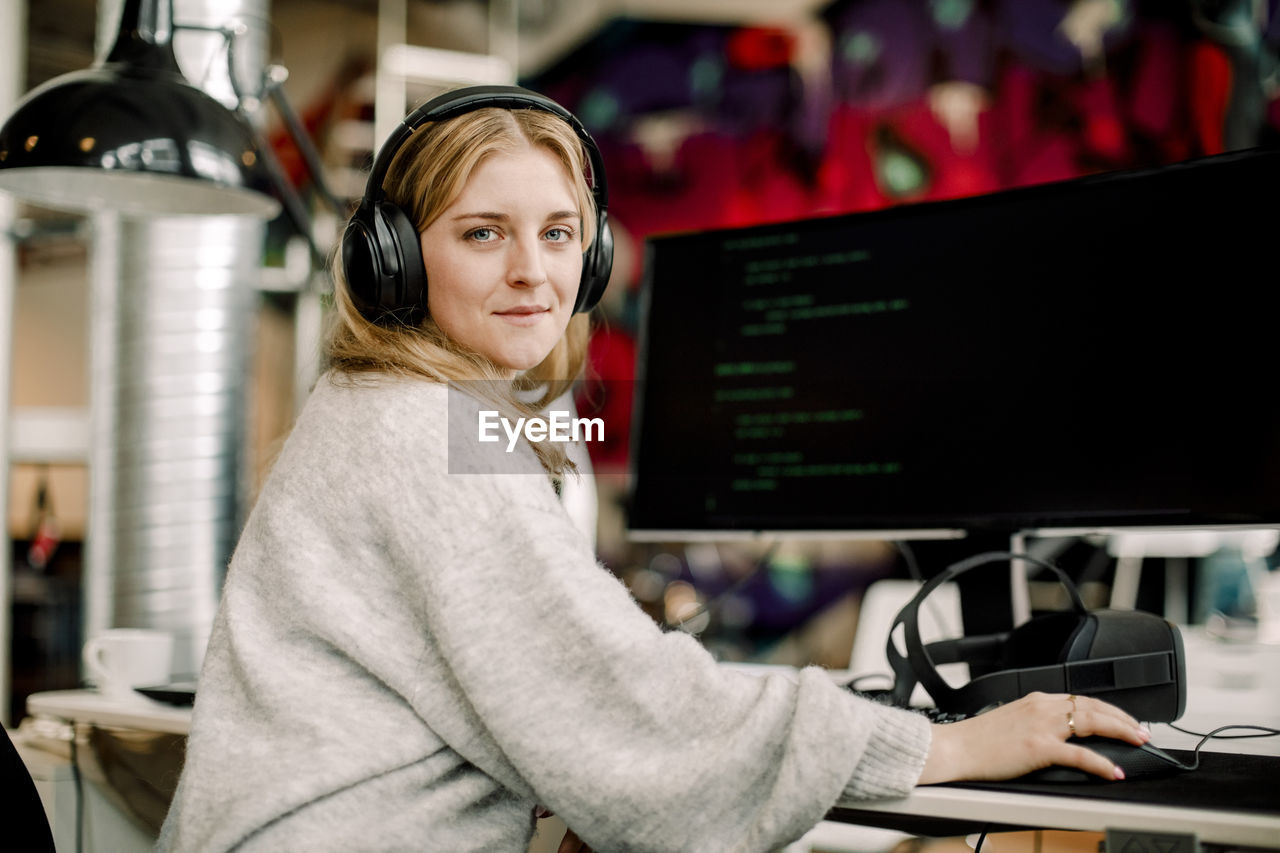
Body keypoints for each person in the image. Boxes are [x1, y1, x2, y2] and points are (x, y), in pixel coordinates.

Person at [157, 86, 1151, 853]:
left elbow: (568, 687)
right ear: (395, 264)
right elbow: (623, 709)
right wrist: (950, 745)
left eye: (556, 234)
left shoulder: (394, 409)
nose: (532, 273)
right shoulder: (425, 431)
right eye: (480, 234)